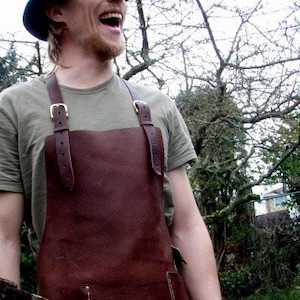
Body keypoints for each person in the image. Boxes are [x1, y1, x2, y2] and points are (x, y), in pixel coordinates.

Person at [0, 0, 222, 299]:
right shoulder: (14, 108)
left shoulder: (158, 107)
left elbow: (187, 226)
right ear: (57, 11)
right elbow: (4, 236)